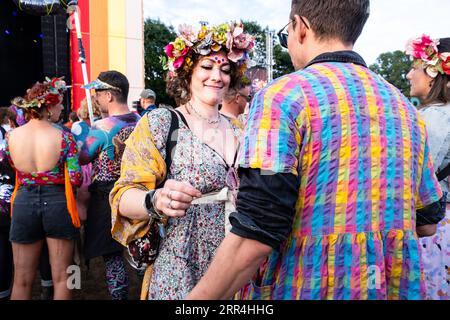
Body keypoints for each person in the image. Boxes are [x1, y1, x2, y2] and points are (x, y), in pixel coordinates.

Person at [187, 0, 445, 300]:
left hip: (307, 285)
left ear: (300, 28)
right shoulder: (403, 108)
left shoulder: (283, 98)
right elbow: (427, 221)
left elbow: (259, 228)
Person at [109, 21, 254, 299]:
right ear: (188, 72)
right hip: (181, 263)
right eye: (207, 67)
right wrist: (156, 200)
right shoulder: (163, 123)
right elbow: (123, 195)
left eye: (225, 69)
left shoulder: (240, 129)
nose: (217, 76)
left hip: (234, 261)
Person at [6, 77, 82, 300]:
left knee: (21, 279)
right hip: (58, 204)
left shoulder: (11, 137)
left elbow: (13, 168)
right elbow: (75, 178)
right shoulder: (65, 137)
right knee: (63, 277)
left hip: (23, 203)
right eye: (59, 103)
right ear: (48, 106)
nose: (61, 108)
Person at [80, 71, 140, 300]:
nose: (95, 98)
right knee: (142, 250)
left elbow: (84, 157)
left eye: (97, 94)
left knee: (112, 255)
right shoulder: (141, 121)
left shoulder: (103, 127)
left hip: (108, 195)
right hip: (139, 191)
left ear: (109, 96)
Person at [406, 35, 450, 300]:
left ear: (432, 76)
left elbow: (418, 178)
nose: (410, 74)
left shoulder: (432, 118)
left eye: (415, 68)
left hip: (432, 227)